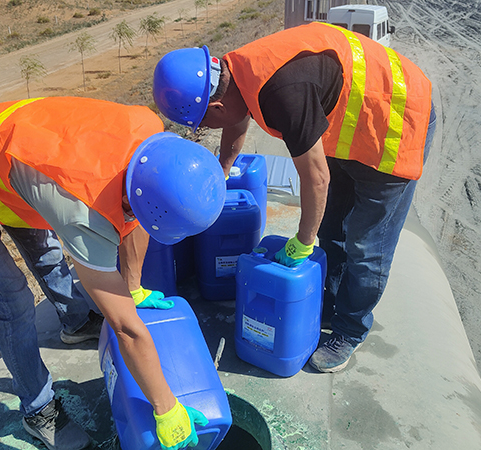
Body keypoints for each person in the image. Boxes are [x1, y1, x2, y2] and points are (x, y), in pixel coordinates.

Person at [0, 96, 226, 450]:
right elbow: (126, 329)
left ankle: (75, 323)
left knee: (46, 252)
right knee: (13, 301)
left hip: (16, 164)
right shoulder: (80, 210)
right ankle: (38, 410)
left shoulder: (149, 138)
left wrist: (132, 289)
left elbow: (136, 217)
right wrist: (166, 408)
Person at [153, 23, 437, 374]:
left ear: (216, 103)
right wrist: (222, 172)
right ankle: (328, 305)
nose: (207, 130)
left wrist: (302, 242)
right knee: (332, 228)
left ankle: (350, 330)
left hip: (397, 122)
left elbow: (316, 178)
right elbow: (237, 119)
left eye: (204, 123)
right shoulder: (234, 72)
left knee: (366, 247)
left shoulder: (282, 92)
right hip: (354, 125)